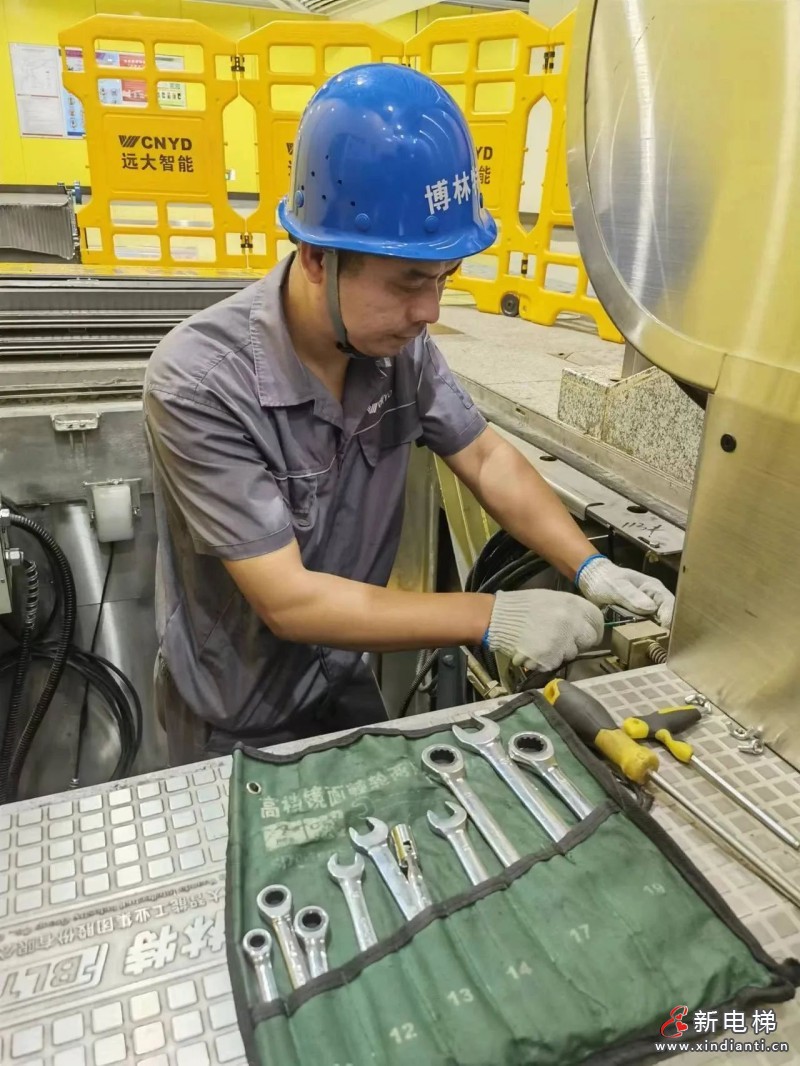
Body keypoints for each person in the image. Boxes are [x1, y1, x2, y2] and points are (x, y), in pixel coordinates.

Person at [144, 63, 674, 766]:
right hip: (234, 715)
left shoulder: (399, 350)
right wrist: (490, 616)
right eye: (408, 282)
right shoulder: (201, 381)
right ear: (316, 257)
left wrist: (590, 568)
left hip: (342, 678)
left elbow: (483, 456)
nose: (429, 311)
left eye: (444, 280)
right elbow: (289, 600)